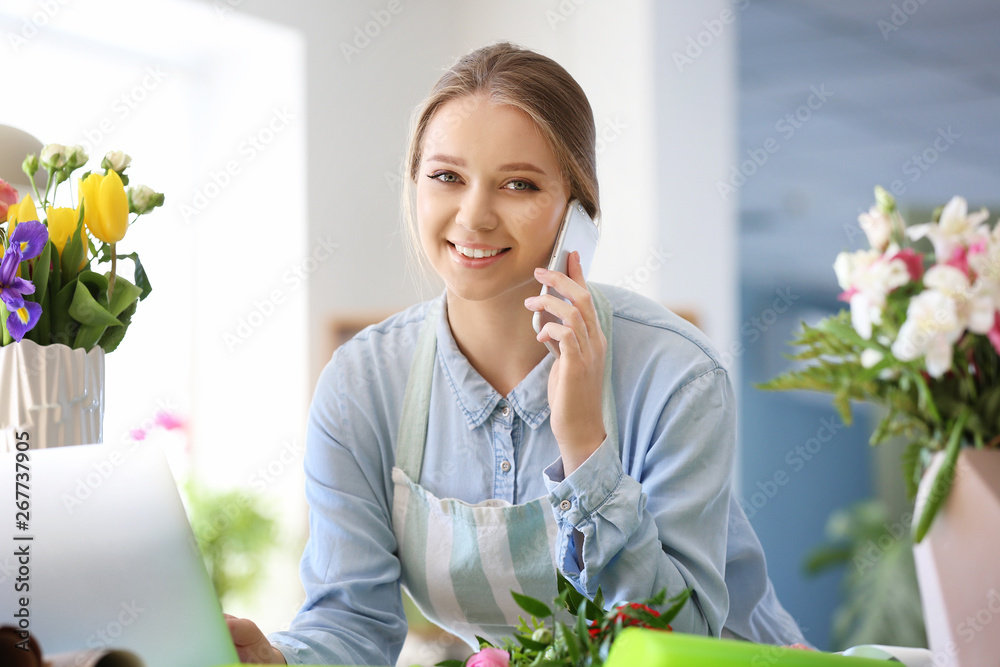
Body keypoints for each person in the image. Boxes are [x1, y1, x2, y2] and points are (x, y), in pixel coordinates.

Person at [226, 42, 807, 666]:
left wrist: (586, 446)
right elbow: (351, 624)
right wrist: (277, 661)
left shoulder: (677, 376)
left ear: (577, 213)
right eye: (446, 176)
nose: (473, 216)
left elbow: (678, 643)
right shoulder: (361, 385)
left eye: (519, 184)